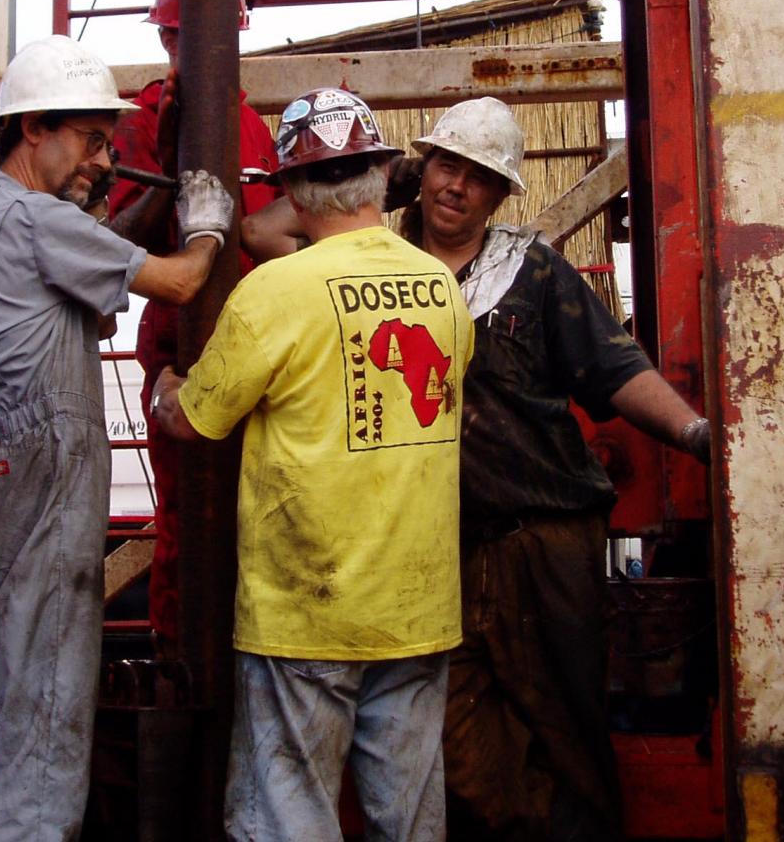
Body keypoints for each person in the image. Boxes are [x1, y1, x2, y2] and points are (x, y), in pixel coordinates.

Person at [242, 96, 712, 840]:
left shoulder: (532, 273)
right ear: (417, 171)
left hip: (547, 539)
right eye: (445, 166)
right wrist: (387, 184)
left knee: (567, 725)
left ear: (501, 194)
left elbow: (615, 368)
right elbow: (261, 230)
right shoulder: (363, 265)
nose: (456, 187)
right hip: (433, 551)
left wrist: (693, 433)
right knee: (454, 745)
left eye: (479, 176)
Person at [0, 34, 234, 841]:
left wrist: (116, 213)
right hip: (41, 492)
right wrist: (206, 225)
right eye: (92, 139)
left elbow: (91, 301)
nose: (103, 157)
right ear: (34, 129)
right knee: (46, 737)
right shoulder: (32, 220)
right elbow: (178, 281)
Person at [151, 88, 475, 841]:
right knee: (411, 822)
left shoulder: (276, 292)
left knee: (289, 817)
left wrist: (169, 386)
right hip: (418, 607)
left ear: (293, 189)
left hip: (306, 612)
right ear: (383, 173)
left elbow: (195, 422)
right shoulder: (441, 289)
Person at [106, 0, 282, 651]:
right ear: (167, 38)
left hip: (268, 353)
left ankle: (255, 662)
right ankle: (184, 670)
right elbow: (125, 244)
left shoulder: (253, 127)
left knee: (266, 522)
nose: (195, 53)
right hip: (185, 351)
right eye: (181, 39)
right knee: (190, 522)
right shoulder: (145, 118)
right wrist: (175, 151)